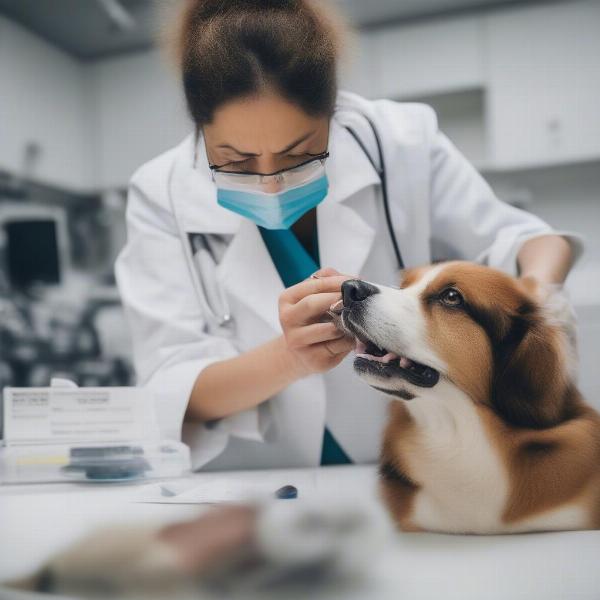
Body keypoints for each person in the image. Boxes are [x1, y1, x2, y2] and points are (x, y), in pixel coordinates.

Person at [115, 0, 580, 470]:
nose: (272, 182)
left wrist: (536, 293)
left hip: (416, 462)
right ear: (200, 130)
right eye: (235, 161)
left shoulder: (399, 142)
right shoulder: (162, 193)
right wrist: (289, 359)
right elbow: (170, 391)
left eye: (298, 154)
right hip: (254, 480)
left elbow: (528, 242)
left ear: (332, 115)